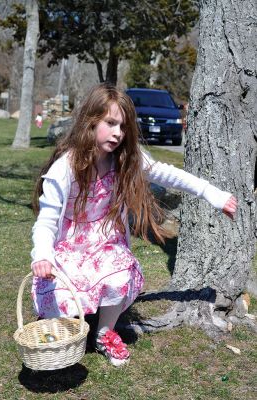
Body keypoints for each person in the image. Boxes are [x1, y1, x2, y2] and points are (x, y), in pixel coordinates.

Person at [31, 83, 237, 367]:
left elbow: (169, 175)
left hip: (104, 242)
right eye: (111, 123)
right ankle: (61, 325)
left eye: (123, 127)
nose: (118, 133)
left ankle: (104, 332)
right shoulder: (65, 169)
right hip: (70, 243)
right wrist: (42, 255)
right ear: (91, 122)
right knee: (60, 301)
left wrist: (214, 194)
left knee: (121, 271)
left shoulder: (125, 160)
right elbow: (46, 221)